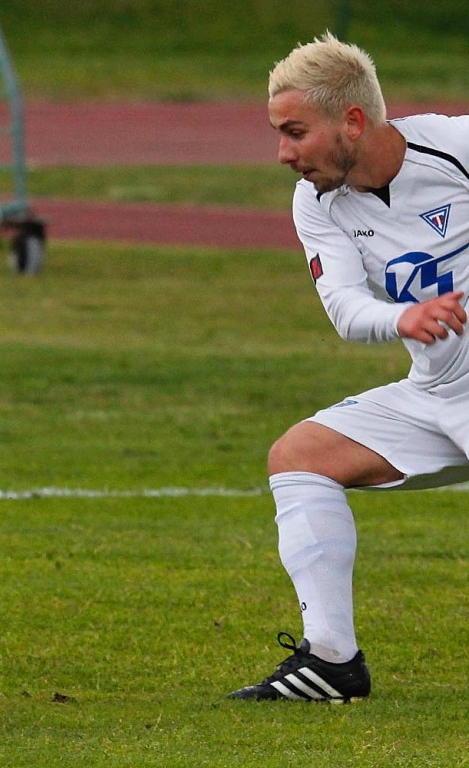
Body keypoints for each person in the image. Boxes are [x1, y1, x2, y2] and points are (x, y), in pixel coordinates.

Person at [228, 31, 469, 703]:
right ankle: (332, 660)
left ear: (353, 122)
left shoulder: (456, 149)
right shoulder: (317, 201)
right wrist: (405, 320)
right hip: (440, 389)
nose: (283, 153)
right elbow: (343, 306)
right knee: (301, 454)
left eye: (295, 132)